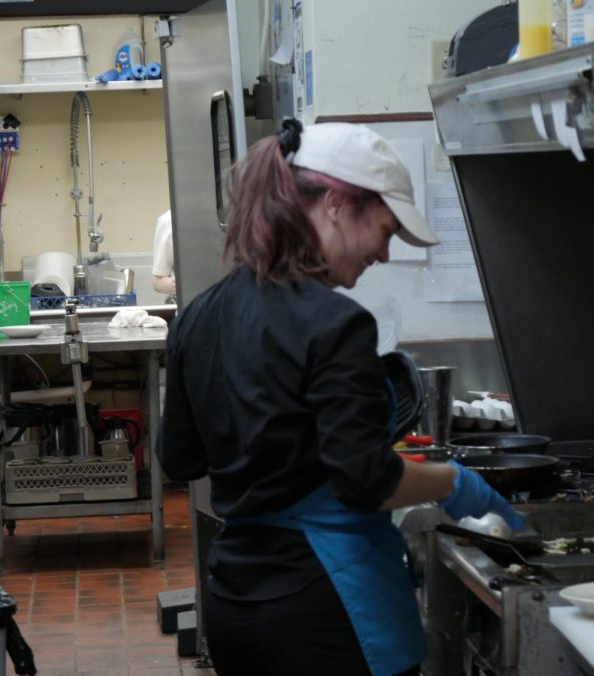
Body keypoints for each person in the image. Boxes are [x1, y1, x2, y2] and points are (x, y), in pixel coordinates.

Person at [157, 119, 523, 676]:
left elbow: (181, 459)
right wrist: (454, 481)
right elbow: (367, 481)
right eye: (385, 228)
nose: (383, 251)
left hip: (235, 603)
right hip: (328, 609)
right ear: (335, 204)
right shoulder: (336, 324)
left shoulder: (198, 317)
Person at [151, 209, 176, 299]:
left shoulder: (220, 218)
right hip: (191, 304)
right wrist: (181, 285)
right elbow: (157, 282)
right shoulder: (169, 220)